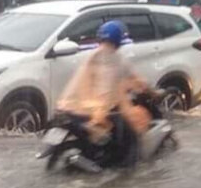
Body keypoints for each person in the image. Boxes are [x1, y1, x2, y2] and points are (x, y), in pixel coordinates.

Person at [56, 20, 150, 167]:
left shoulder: (91, 55)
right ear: (119, 40)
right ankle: (124, 171)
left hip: (68, 108)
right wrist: (151, 91)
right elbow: (133, 82)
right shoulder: (116, 58)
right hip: (92, 111)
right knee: (131, 136)